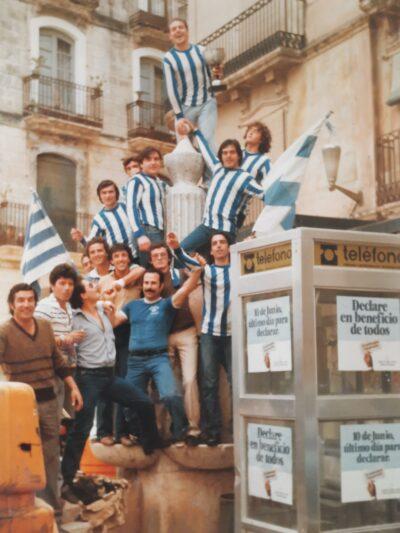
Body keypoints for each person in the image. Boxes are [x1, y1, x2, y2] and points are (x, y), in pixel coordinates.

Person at [61, 279, 164, 503]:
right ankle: (67, 478)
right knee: (82, 427)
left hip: (109, 376)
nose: (95, 287)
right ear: (82, 295)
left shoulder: (102, 308)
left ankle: (150, 444)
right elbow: (63, 344)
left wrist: (110, 300)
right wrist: (67, 341)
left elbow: (111, 292)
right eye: (90, 286)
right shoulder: (74, 317)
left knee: (143, 403)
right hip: (88, 377)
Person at [0, 283, 83, 514]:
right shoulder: (4, 332)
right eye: (20, 300)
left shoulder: (45, 327)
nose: (26, 304)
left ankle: (52, 514)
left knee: (50, 457)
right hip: (21, 406)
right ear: (11, 304)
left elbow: (58, 362)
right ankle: (25, 511)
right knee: (23, 456)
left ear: (35, 303)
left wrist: (73, 388)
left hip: (49, 403)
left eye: (30, 300)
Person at [112, 266, 203, 443]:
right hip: (135, 361)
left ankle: (180, 430)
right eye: (146, 283)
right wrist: (106, 306)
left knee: (170, 395)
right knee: (129, 401)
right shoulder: (132, 306)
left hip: (158, 358)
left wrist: (197, 272)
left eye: (153, 283)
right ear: (141, 285)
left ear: (161, 286)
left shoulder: (168, 304)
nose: (149, 286)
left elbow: (186, 288)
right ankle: (142, 434)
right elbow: (114, 322)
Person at [170, 233, 232, 446]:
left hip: (233, 334)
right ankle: (213, 430)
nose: (219, 246)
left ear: (228, 248)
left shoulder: (239, 270)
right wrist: (177, 248)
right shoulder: (206, 272)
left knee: (236, 383)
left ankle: (236, 427)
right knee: (209, 384)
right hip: (209, 334)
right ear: (212, 251)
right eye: (214, 243)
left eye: (222, 242)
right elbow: (187, 262)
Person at [178, 122, 265, 253]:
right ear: (221, 156)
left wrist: (259, 229)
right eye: (224, 153)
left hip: (224, 230)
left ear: (238, 156)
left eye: (232, 152)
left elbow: (265, 195)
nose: (228, 156)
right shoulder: (217, 168)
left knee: (223, 266)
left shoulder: (244, 178)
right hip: (206, 227)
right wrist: (195, 130)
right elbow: (205, 150)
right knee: (179, 251)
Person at [149, 242, 201, 445]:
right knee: (165, 384)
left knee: (189, 380)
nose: (160, 258)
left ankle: (194, 429)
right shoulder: (149, 280)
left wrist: (180, 250)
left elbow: (198, 271)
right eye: (156, 256)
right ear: (151, 259)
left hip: (186, 332)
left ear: (169, 257)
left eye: (163, 254)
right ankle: (162, 430)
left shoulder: (180, 274)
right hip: (162, 337)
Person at [97, 243, 145, 446]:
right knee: (106, 380)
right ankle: (103, 431)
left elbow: (143, 268)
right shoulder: (103, 280)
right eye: (116, 256)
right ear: (111, 260)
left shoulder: (137, 274)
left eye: (124, 256)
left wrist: (121, 283)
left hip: (130, 332)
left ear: (129, 257)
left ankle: (122, 432)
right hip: (108, 332)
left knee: (125, 381)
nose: (120, 260)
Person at [35, 264, 85, 416]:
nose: (67, 288)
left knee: (69, 416)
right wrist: (67, 338)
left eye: (70, 284)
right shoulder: (44, 307)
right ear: (52, 285)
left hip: (68, 368)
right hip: (50, 369)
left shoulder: (68, 306)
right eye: (62, 283)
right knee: (53, 415)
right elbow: (37, 340)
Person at [163, 18, 217, 151]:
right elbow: (171, 88)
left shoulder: (201, 50)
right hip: (185, 107)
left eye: (181, 27)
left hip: (207, 103)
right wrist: (179, 116)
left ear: (187, 31)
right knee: (185, 147)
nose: (178, 31)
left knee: (207, 142)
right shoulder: (169, 59)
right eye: (174, 29)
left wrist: (218, 73)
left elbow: (214, 74)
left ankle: (211, 172)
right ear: (170, 36)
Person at [126, 147, 168, 266]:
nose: (153, 162)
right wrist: (139, 235)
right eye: (148, 159)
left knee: (157, 270)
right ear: (141, 164)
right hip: (146, 231)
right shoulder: (137, 180)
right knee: (149, 269)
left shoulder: (158, 182)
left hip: (158, 232)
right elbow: (131, 207)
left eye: (156, 159)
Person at [70, 180, 135, 256]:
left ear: (116, 194)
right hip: (116, 260)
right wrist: (81, 239)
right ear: (100, 196)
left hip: (136, 255)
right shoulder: (98, 219)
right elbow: (91, 243)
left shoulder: (126, 207)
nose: (107, 196)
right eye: (104, 193)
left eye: (111, 192)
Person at [237, 121, 272, 228]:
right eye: (249, 130)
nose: (250, 133)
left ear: (261, 139)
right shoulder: (234, 152)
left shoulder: (264, 162)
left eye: (255, 131)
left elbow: (270, 189)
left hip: (238, 212)